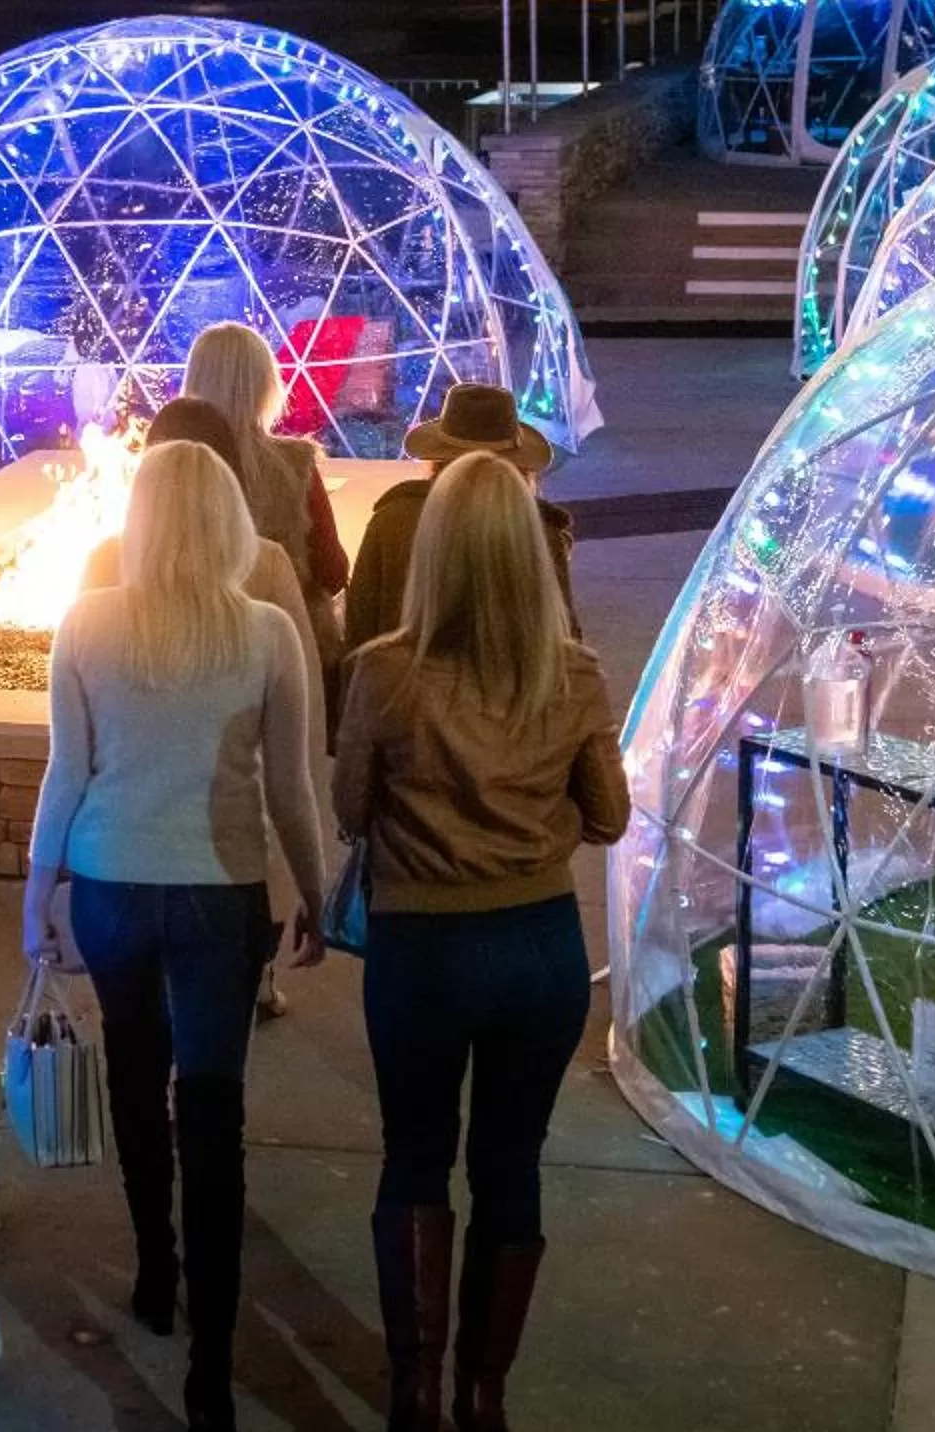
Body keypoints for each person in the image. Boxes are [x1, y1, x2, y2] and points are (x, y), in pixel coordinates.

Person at [22, 440, 327, 1432]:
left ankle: (155, 1266)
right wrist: (316, 891)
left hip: (110, 884)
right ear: (232, 523)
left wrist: (38, 897)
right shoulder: (267, 632)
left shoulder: (87, 623)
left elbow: (66, 775)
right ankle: (211, 1384)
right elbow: (291, 789)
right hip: (218, 896)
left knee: (134, 1071)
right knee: (213, 1111)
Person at [332, 451, 629, 1432]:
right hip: (537, 947)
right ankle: (484, 1395)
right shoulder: (574, 675)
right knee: (512, 1165)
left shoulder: (381, 670)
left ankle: (413, 1396)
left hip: (419, 949)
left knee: (414, 1157)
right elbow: (610, 817)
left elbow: (347, 812)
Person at [81, 397, 330, 1019]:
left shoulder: (105, 564)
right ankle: (256, 976)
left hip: (119, 854)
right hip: (226, 850)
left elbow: (82, 725)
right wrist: (310, 883)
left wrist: (50, 881)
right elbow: (290, 754)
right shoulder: (267, 564)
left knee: (133, 1055)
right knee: (213, 1072)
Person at [344, 381, 577, 654]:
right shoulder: (541, 532)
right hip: (516, 691)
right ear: (521, 469)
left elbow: (359, 630)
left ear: (437, 458)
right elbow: (565, 639)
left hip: (404, 689)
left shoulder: (391, 519)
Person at [179, 322, 349, 671]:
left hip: (189, 650)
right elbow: (333, 572)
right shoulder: (295, 465)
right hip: (290, 653)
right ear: (264, 384)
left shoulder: (169, 470)